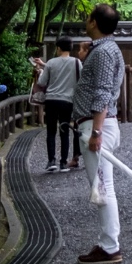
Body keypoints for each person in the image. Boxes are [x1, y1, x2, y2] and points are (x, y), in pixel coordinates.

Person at [75, 4, 126, 264]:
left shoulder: (104, 51)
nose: (86, 20)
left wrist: (96, 131)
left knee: (103, 188)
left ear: (94, 22)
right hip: (98, 125)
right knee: (102, 186)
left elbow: (103, 91)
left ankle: (109, 246)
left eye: (88, 17)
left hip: (98, 127)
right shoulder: (104, 49)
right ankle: (108, 243)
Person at [36, 38, 81, 173]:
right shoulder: (77, 62)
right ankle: (63, 163)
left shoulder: (51, 63)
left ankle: (51, 161)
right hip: (68, 100)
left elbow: (42, 83)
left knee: (51, 131)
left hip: (51, 100)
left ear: (58, 48)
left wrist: (41, 72)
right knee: (65, 131)